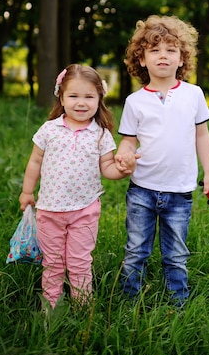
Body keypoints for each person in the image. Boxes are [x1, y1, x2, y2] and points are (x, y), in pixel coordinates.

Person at [116, 15, 209, 306]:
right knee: (136, 249)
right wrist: (124, 154)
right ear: (141, 59)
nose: (163, 55)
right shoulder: (134, 101)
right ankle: (128, 302)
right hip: (142, 190)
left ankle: (178, 302)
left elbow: (202, 135)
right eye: (154, 49)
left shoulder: (193, 95)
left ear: (182, 59)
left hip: (179, 191)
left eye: (171, 49)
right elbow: (128, 139)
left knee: (176, 253)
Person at [19, 64, 137, 308]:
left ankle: (83, 307)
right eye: (73, 96)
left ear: (99, 99)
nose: (81, 103)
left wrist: (123, 170)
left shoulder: (100, 134)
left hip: (84, 210)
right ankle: (50, 307)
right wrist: (27, 191)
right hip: (49, 210)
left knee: (79, 261)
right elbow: (35, 161)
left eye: (89, 97)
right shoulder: (49, 130)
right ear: (61, 98)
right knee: (52, 262)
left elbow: (107, 168)